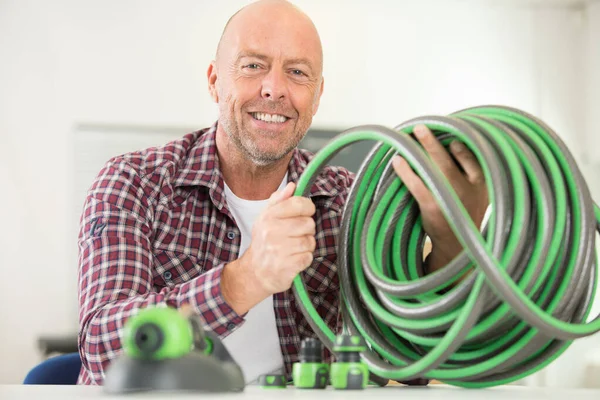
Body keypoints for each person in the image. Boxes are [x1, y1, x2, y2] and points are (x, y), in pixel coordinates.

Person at [76, 0, 489, 386]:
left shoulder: (350, 201)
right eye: (253, 65)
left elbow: (411, 361)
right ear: (214, 81)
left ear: (317, 96)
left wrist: (456, 242)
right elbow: (101, 349)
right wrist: (247, 277)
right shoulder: (133, 182)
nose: (274, 88)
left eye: (297, 72)